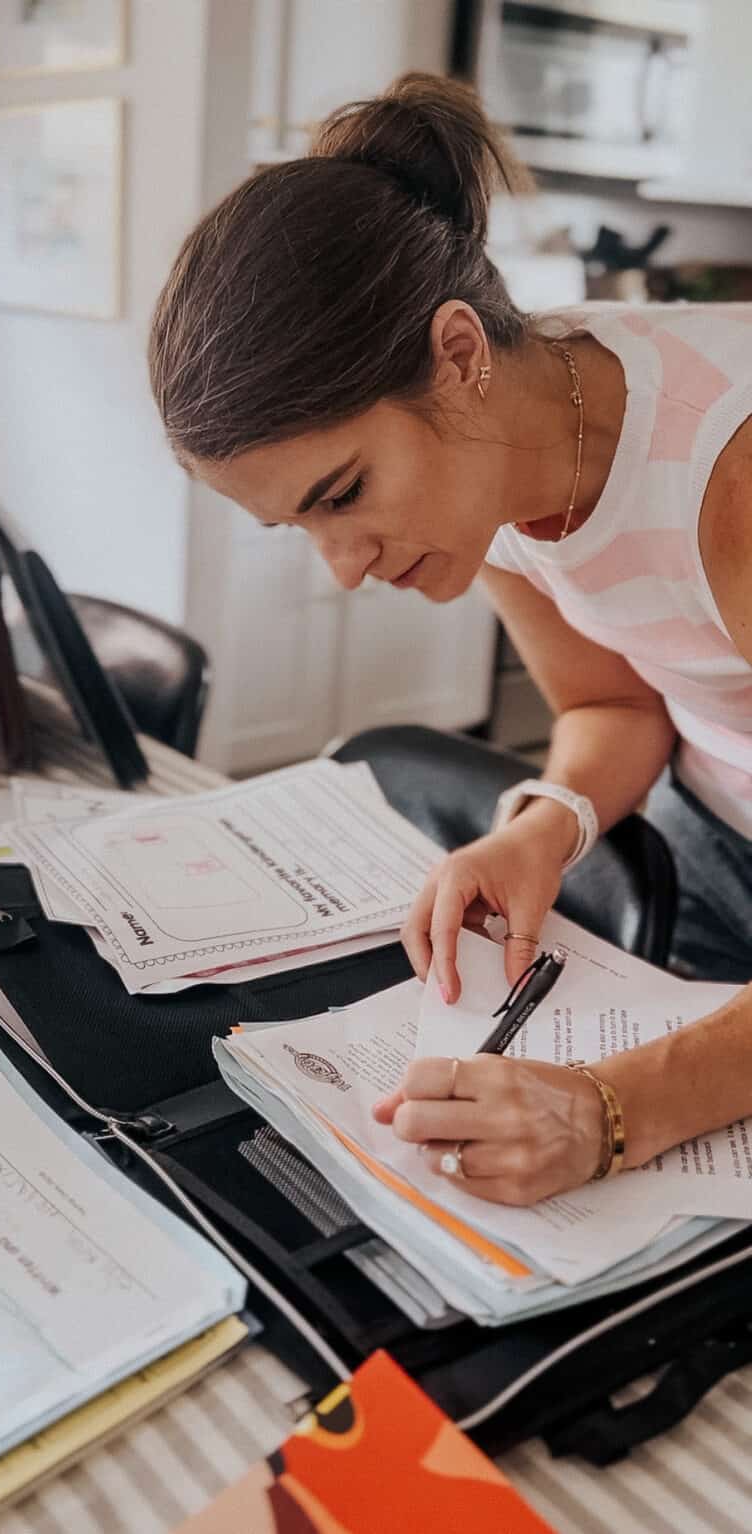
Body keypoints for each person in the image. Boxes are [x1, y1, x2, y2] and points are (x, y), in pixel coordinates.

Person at [148, 73, 752, 1209]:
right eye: (299, 526)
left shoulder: (731, 477)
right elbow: (610, 707)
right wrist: (544, 825)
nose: (345, 566)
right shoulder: (509, 453)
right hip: (707, 838)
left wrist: (615, 1107)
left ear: (459, 350)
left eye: (344, 491)